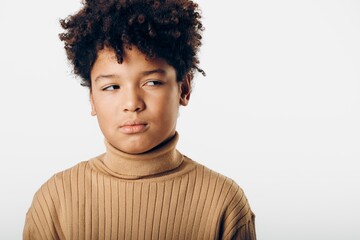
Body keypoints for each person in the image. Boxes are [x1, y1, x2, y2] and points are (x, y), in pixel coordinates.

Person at [23, 0, 256, 239]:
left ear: (184, 89)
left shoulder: (224, 203)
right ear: (92, 99)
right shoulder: (55, 201)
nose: (132, 103)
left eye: (152, 82)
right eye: (112, 86)